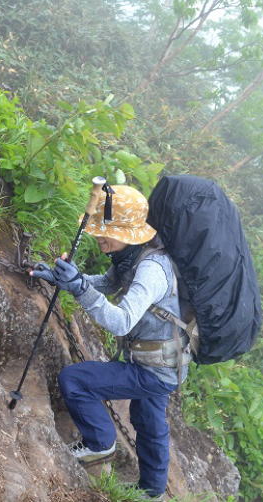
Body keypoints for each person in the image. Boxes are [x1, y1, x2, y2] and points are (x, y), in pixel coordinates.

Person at [29, 184, 191, 500]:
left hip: (154, 368)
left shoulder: (150, 270)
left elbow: (121, 320)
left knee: (75, 380)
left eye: (106, 231)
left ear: (129, 233)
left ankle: (99, 444)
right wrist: (63, 278)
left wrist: (77, 288)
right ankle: (154, 492)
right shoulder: (133, 255)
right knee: (149, 422)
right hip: (168, 359)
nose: (98, 236)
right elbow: (105, 283)